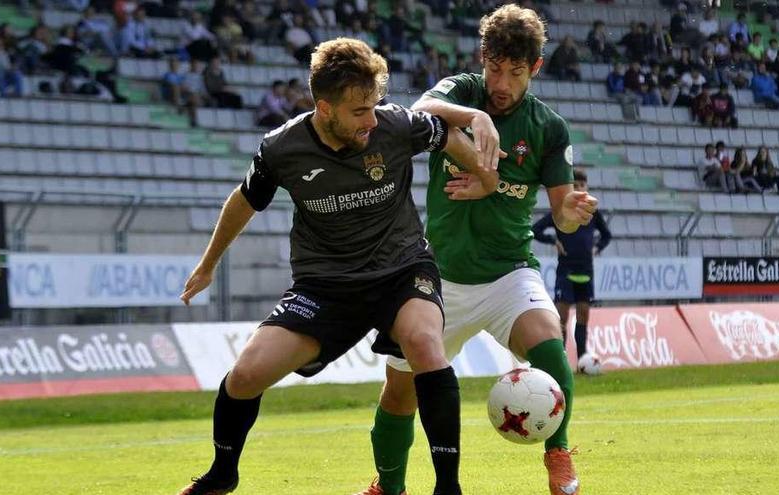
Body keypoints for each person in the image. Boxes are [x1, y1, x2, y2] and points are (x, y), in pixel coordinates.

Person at [176, 38, 489, 495]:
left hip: (401, 270)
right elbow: (245, 201)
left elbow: (445, 135)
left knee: (424, 343)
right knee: (244, 377)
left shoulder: (395, 125)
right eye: (359, 111)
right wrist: (207, 266)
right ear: (325, 108)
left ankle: (448, 487)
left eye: (375, 105)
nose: (371, 119)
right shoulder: (282, 148)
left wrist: (485, 176)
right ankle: (223, 473)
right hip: (325, 286)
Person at [356, 5, 598, 495]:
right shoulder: (464, 92)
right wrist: (476, 117)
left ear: (535, 69)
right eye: (494, 69)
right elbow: (420, 109)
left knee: (550, 343)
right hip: (434, 278)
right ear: (482, 59)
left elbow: (562, 215)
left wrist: (572, 210)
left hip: (508, 272)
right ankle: (389, 485)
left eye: (513, 72)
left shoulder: (549, 129)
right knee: (400, 390)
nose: (500, 82)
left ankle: (558, 454)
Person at [531, 169, 610, 371]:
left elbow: (607, 235)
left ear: (587, 188)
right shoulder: (561, 212)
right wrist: (553, 240)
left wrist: (596, 248)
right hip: (565, 269)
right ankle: (561, 362)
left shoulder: (593, 214)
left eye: (582, 186)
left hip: (586, 270)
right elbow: (536, 229)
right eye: (575, 186)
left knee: (583, 315)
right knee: (562, 317)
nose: (579, 189)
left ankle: (582, 360)